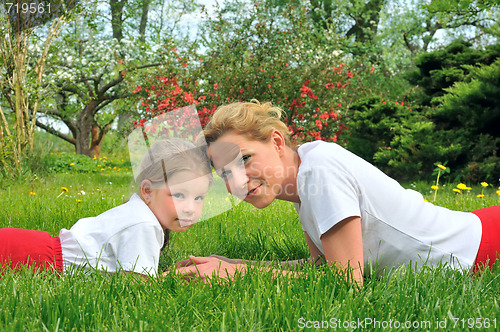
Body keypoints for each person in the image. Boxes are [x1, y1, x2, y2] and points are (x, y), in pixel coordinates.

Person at [175, 100, 500, 285]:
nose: (238, 180)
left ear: (275, 142)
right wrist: (231, 262)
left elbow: (347, 283)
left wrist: (240, 274)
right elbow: (322, 268)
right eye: (226, 172)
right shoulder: (304, 184)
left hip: (483, 248)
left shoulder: (320, 170)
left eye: (244, 159)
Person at [0, 139, 212, 277]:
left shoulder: (139, 211)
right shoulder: (144, 224)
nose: (190, 208)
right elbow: (136, 287)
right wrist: (172, 278)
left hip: (31, 247)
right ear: (147, 190)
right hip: (33, 259)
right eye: (179, 195)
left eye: (199, 197)